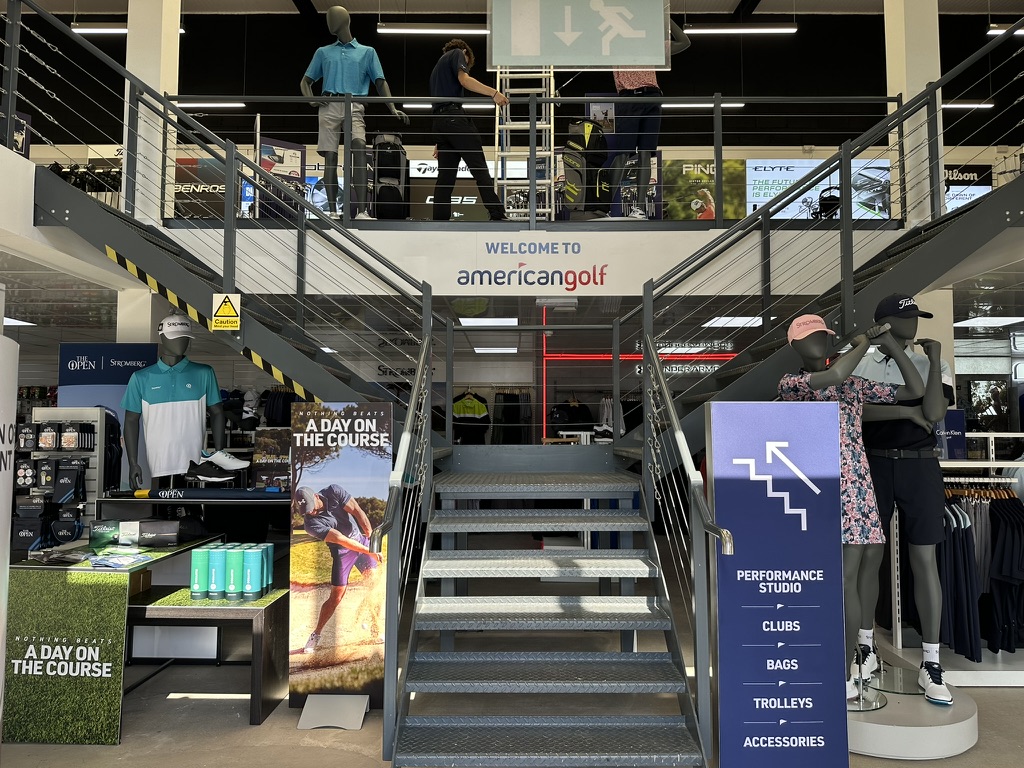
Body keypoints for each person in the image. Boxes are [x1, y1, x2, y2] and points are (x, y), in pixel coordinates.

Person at [779, 314, 923, 701]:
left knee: (852, 576)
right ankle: (831, 664)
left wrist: (890, 345)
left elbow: (914, 389)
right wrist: (863, 344)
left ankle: (851, 664)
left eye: (823, 337)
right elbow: (831, 377)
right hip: (814, 488)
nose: (819, 345)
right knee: (828, 579)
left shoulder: (854, 384)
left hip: (856, 487)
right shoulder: (792, 384)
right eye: (810, 339)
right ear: (794, 346)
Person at [853, 293, 956, 706]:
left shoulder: (936, 364)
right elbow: (853, 410)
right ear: (884, 322)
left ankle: (931, 661)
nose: (912, 326)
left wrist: (931, 361)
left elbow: (933, 414)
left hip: (921, 465)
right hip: (873, 464)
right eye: (904, 318)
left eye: (916, 318)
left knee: (924, 558)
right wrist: (892, 352)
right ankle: (866, 647)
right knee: (868, 555)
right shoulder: (862, 360)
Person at [300, 6, 408, 220]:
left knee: (359, 148)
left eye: (334, 18)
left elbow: (380, 81)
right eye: (328, 18)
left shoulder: (367, 52)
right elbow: (306, 81)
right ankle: (331, 210)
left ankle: (362, 211)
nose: (330, 22)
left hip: (355, 106)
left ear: (346, 20)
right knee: (330, 157)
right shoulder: (323, 52)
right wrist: (312, 99)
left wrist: (392, 107)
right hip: (328, 106)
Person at [121, 313, 247, 490]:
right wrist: (132, 462)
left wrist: (219, 454)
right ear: (162, 337)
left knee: (192, 512)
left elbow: (217, 412)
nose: (181, 343)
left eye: (184, 338)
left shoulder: (204, 373)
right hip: (158, 461)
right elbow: (130, 421)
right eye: (175, 338)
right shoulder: (141, 377)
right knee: (163, 513)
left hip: (195, 463)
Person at [610, 18, 690, 219]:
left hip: (652, 96)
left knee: (646, 153)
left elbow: (685, 42)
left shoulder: (651, 46)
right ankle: (608, 207)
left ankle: (639, 208)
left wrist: (665, 18)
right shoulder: (613, 45)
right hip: (628, 97)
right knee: (623, 154)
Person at [294, 484, 383, 653]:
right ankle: (316, 634)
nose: (310, 512)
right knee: (336, 596)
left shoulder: (334, 492)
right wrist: (370, 551)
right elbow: (341, 539)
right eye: (306, 510)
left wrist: (372, 539)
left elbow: (357, 511)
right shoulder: (310, 525)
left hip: (361, 542)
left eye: (311, 508)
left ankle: (374, 628)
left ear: (317, 497)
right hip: (343, 553)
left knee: (374, 584)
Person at [428, 38, 510, 222]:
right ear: (465, 53)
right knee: (479, 168)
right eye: (467, 63)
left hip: (441, 125)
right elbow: (464, 80)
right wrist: (494, 93)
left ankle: (439, 222)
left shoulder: (437, 69)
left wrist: (440, 139)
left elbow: (441, 102)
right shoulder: (457, 54)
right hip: (455, 121)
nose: (465, 65)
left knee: (445, 179)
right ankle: (497, 214)